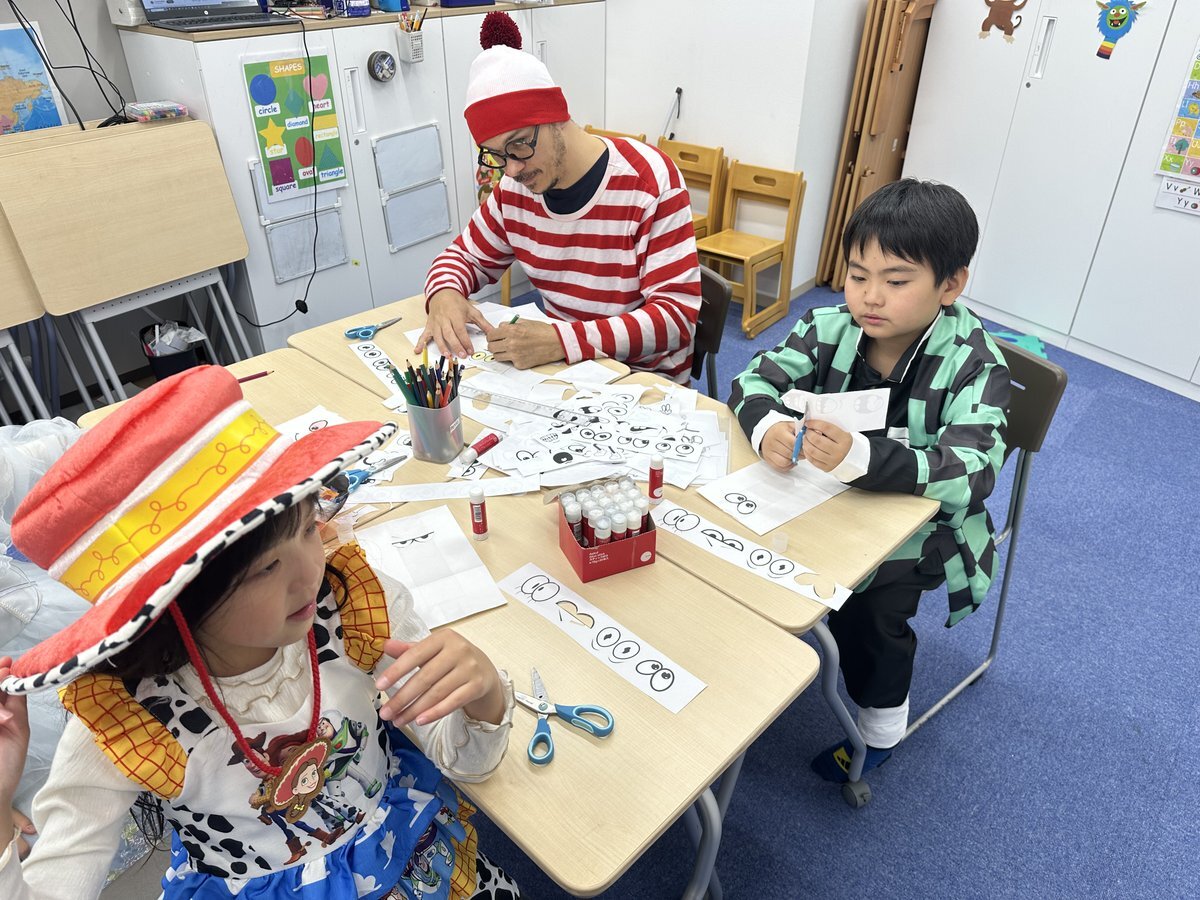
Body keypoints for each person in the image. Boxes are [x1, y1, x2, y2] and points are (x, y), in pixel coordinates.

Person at [0, 366, 522, 899]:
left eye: (308, 528)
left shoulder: (349, 607)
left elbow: (465, 764)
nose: (310, 572)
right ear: (175, 600)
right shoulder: (128, 720)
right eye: (267, 567)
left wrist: (483, 696)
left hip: (415, 859)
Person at [728, 179, 1010, 782]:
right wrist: (768, 426)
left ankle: (881, 728)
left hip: (928, 530)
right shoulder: (828, 326)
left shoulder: (976, 363)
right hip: (823, 500)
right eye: (858, 276)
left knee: (867, 607)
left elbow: (974, 470)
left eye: (897, 281)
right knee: (731, 541)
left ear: (951, 286)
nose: (870, 297)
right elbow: (752, 379)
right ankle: (743, 667)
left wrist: (864, 458)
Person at [417, 11, 701, 383]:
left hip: (641, 379)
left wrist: (561, 340)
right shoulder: (514, 192)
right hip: (562, 373)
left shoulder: (649, 183)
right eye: (496, 155)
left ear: (556, 118)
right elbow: (463, 256)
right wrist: (443, 294)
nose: (511, 170)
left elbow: (676, 320)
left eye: (519, 145)